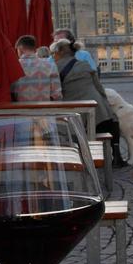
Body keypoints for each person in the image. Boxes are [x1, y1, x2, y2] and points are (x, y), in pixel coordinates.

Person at [50, 37, 126, 167]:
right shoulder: (84, 65)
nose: (53, 56)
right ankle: (116, 154)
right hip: (99, 113)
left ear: (59, 52)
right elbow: (99, 87)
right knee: (113, 119)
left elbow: (55, 92)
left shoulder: (54, 68)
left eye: (54, 53)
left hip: (75, 116)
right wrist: (106, 104)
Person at [12, 35, 61, 102]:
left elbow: (11, 92)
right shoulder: (50, 65)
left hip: (21, 109)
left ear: (20, 49)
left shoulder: (14, 66)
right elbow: (57, 94)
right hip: (45, 110)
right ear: (34, 49)